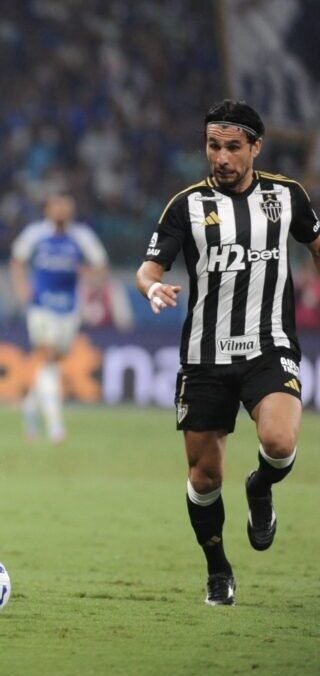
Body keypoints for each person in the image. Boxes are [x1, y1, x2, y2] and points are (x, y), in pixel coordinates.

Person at [136, 100, 320, 606]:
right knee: (204, 476)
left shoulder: (289, 197)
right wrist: (151, 289)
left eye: (232, 147)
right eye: (213, 146)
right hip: (205, 359)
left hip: (270, 346)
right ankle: (217, 567)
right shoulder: (185, 206)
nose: (220, 156)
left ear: (255, 147)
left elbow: (317, 244)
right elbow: (149, 270)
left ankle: (260, 487)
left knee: (280, 442)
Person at [9, 195, 108, 443]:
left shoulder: (81, 236)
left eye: (66, 204)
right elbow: (17, 259)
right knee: (48, 357)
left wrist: (88, 277)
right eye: (57, 205)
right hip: (41, 306)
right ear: (49, 208)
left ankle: (30, 406)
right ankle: (56, 427)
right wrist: (22, 288)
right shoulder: (35, 233)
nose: (62, 209)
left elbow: (100, 265)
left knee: (50, 364)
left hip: (69, 309)